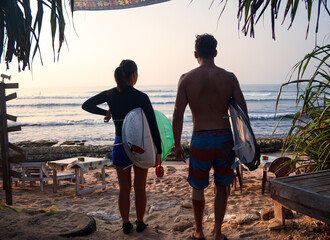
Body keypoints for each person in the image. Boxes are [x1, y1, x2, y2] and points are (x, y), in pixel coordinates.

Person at [172, 34, 248, 240]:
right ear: (215, 53)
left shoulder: (186, 79)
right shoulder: (229, 77)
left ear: (195, 54)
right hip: (224, 138)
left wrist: (177, 144)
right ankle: (218, 232)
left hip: (201, 138)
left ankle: (198, 231)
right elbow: (242, 113)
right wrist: (244, 145)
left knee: (197, 186)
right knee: (222, 185)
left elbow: (178, 114)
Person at [82, 59, 162, 234]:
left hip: (120, 145)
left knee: (124, 188)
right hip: (140, 147)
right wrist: (159, 150)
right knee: (140, 187)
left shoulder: (110, 94)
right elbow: (153, 125)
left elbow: (86, 105)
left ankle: (126, 223)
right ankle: (140, 222)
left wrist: (106, 112)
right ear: (133, 75)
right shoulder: (141, 97)